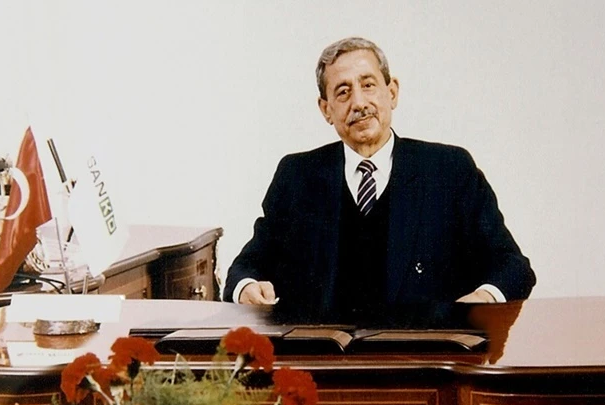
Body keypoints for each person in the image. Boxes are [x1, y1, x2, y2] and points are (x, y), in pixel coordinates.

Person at [223, 37, 535, 321]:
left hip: (425, 355)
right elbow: (245, 267)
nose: (358, 103)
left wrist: (482, 299)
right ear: (326, 109)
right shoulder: (297, 176)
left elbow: (513, 266)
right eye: (343, 92)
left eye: (368, 85)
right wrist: (247, 287)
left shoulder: (449, 170)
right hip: (324, 357)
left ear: (392, 92)